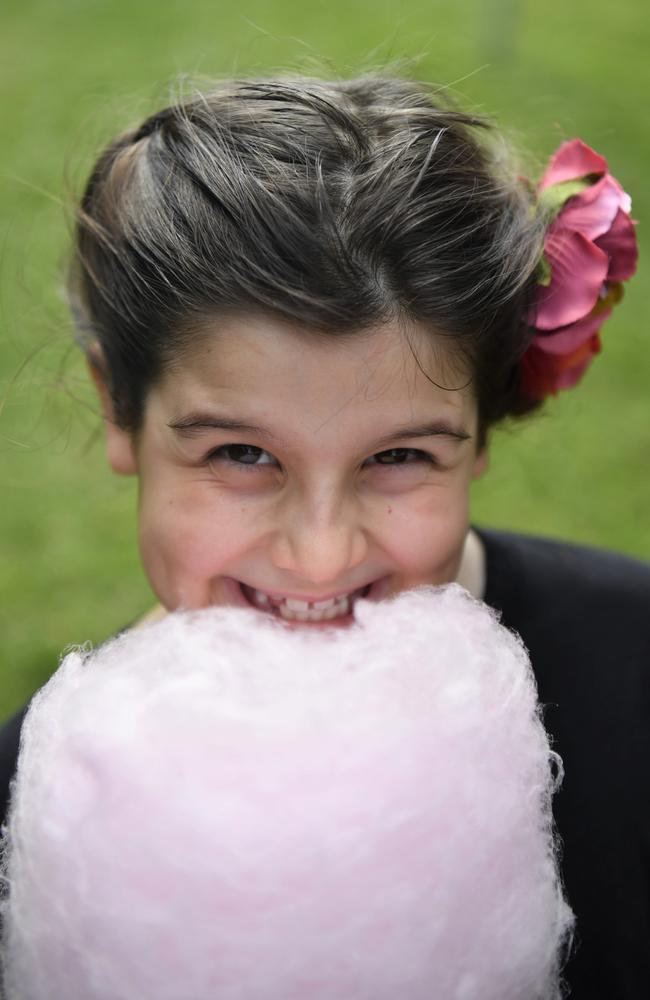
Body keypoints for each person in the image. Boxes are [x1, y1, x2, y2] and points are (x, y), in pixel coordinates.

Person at [0, 75, 648, 998]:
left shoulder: (636, 673)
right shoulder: (43, 793)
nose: (320, 555)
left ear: (483, 429)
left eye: (397, 457)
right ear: (119, 407)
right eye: (241, 453)